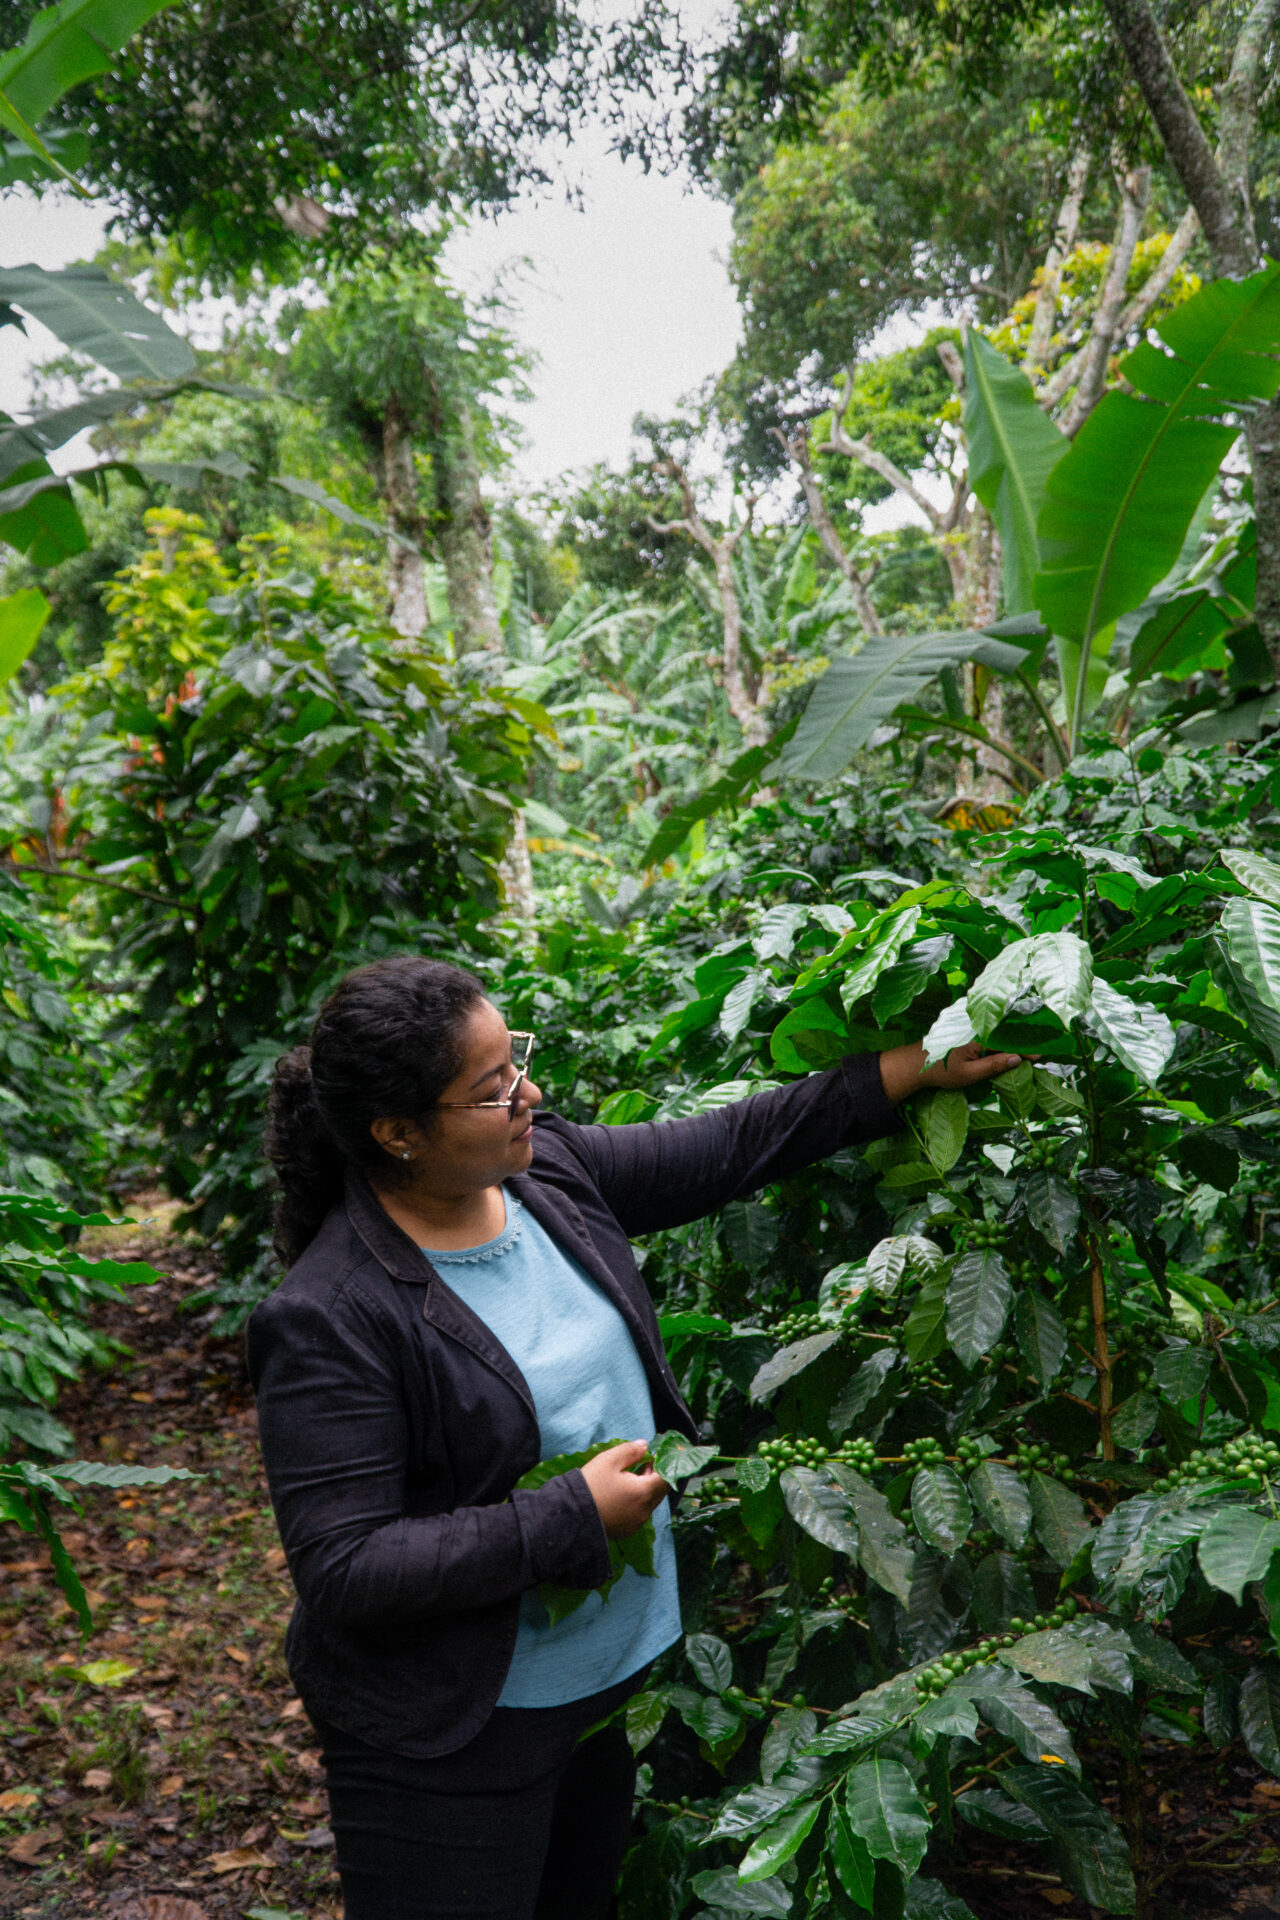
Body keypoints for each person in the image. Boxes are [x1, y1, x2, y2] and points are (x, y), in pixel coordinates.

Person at [249, 954, 1018, 1920]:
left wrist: (917, 1066)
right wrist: (571, 1516)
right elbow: (349, 1566)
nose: (527, 1094)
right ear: (399, 1133)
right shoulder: (333, 1313)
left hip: (596, 1690)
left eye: (516, 1061)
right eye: (492, 1091)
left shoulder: (548, 1177)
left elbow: (735, 1141)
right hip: (453, 1734)